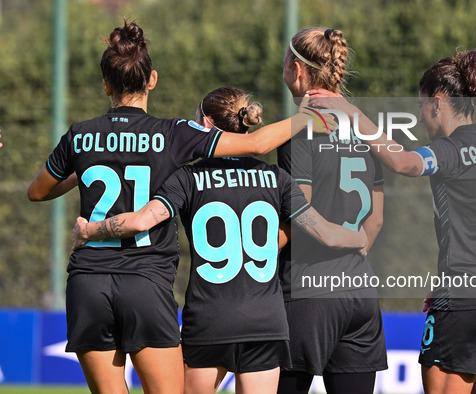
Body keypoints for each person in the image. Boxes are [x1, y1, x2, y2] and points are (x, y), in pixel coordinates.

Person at [27, 21, 333, 394]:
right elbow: (256, 146)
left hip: (88, 282)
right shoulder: (173, 133)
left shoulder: (80, 135)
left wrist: (87, 166)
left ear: (105, 84)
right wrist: (309, 116)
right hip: (145, 282)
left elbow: (38, 192)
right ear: (151, 79)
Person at [71, 86, 368, 394]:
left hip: (210, 320)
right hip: (265, 323)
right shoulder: (277, 178)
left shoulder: (187, 178)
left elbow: (140, 221)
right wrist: (359, 238)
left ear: (208, 124)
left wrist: (89, 231)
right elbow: (326, 234)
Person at [309, 49, 476, 394]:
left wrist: (351, 112)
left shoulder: (449, 149)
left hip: (467, 299)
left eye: (421, 107)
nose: (423, 117)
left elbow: (405, 163)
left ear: (438, 102)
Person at [277, 27, 388, 394]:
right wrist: (355, 248)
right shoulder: (368, 130)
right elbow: (376, 219)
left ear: (297, 68)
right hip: (359, 290)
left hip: (308, 291)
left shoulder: (299, 131)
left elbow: (302, 218)